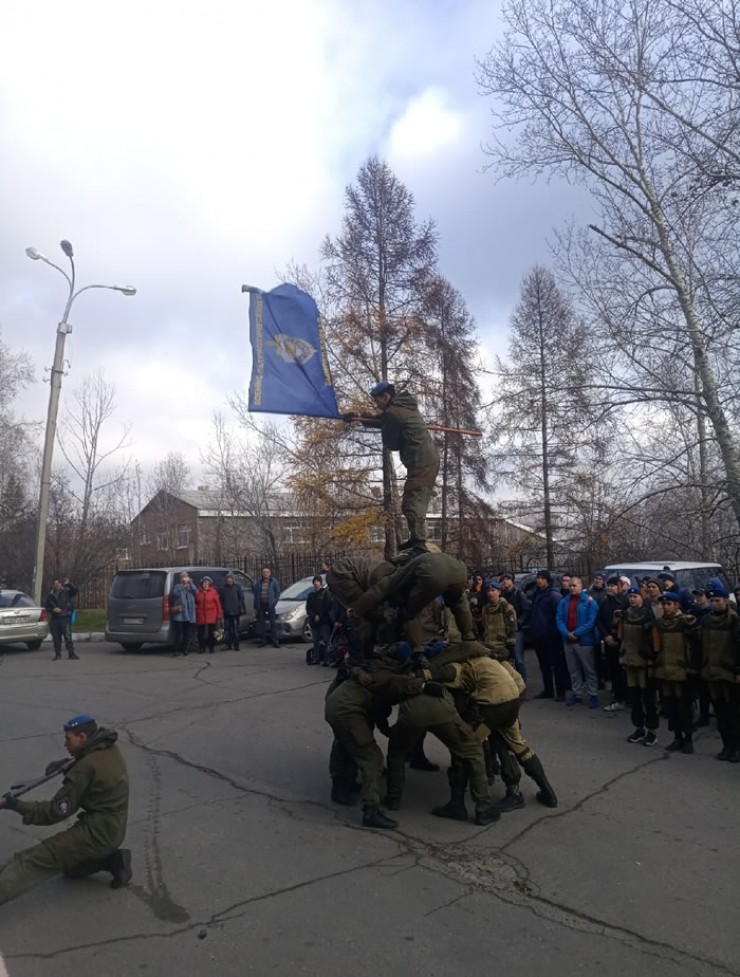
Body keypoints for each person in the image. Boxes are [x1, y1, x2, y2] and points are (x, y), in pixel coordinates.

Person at [0, 714, 131, 905]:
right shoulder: (109, 748)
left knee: (33, 860)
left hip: (96, 834)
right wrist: (72, 762)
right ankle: (113, 861)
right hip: (115, 829)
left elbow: (54, 812)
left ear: (82, 738)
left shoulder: (84, 769)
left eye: (68, 739)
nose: (65, 744)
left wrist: (15, 805)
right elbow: (93, 765)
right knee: (70, 869)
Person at [430, 652, 558, 815]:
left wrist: (428, 673)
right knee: (517, 746)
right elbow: (520, 686)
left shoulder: (466, 665)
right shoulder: (499, 662)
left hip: (493, 709)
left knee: (466, 749)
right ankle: (546, 793)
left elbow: (452, 676)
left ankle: (457, 804)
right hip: (511, 705)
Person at [341, 381, 440, 552]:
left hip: (422, 463)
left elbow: (391, 443)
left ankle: (419, 544)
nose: (376, 404)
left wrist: (385, 427)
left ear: (386, 397)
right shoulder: (403, 405)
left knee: (413, 503)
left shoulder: (394, 413)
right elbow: (382, 420)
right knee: (409, 502)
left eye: (377, 400)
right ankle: (417, 539)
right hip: (424, 460)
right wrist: (359, 417)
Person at [351, 550, 477, 655]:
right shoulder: (429, 556)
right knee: (460, 603)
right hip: (460, 572)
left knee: (409, 611)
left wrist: (356, 609)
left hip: (432, 576)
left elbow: (379, 590)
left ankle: (418, 652)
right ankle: (469, 638)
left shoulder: (403, 571)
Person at [653, 592, 700, 753]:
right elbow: (655, 646)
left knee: (684, 707)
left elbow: (695, 645)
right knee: (670, 706)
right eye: (664, 604)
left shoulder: (685, 622)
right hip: (665, 671)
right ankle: (677, 737)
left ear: (677, 605)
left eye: (669, 604)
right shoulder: (659, 623)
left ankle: (688, 739)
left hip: (682, 671)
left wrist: (691, 668)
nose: (665, 607)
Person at [700, 584, 740, 762]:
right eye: (712, 601)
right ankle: (726, 746)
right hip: (711, 671)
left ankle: (736, 748)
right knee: (720, 713)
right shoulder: (707, 620)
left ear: (726, 601)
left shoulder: (734, 620)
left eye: (718, 601)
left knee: (733, 713)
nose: (714, 604)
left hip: (729, 672)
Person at [618, 587, 659, 746]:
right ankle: (638, 728)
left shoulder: (648, 616)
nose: (632, 599)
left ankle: (652, 731)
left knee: (648, 699)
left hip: (644, 664)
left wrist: (651, 662)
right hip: (630, 662)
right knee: (635, 699)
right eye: (630, 597)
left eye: (635, 596)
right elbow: (620, 636)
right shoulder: (626, 614)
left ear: (642, 598)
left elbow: (653, 643)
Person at [556, 576, 600, 708]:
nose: (571, 588)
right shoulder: (564, 602)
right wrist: (566, 633)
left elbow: (590, 622)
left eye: (574, 585)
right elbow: (559, 620)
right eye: (570, 586)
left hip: (584, 642)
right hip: (568, 641)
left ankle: (593, 695)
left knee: (589, 670)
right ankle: (577, 694)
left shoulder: (589, 602)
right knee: (573, 670)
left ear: (581, 586)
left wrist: (576, 633)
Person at [529, 571, 568, 700]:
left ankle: (561, 691)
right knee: (544, 665)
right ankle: (548, 690)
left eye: (542, 578)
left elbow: (558, 617)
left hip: (551, 637)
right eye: (538, 578)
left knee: (557, 665)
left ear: (547, 580)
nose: (539, 581)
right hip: (538, 636)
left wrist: (554, 634)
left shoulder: (553, 595)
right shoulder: (537, 593)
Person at [599, 576, 628, 712]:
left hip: (623, 643)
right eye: (608, 586)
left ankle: (627, 698)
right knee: (614, 672)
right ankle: (618, 698)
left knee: (624, 672)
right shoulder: (605, 602)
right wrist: (606, 636)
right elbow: (599, 621)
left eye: (613, 586)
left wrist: (617, 636)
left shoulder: (625, 601)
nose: (610, 588)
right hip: (609, 642)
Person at [498, 572, 529, 680]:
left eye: (507, 579)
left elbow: (526, 611)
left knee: (518, 660)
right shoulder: (500, 597)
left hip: (516, 632)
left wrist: (518, 623)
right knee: (507, 659)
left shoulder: (519, 594)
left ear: (512, 581)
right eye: (502, 580)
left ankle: (523, 684)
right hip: (503, 631)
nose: (505, 581)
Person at [480, 581, 517, 663]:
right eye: (488, 591)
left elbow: (512, 626)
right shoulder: (485, 609)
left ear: (499, 592)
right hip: (488, 646)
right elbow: (483, 626)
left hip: (502, 646)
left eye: (493, 590)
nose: (490, 593)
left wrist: (510, 645)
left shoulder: (506, 607)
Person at [45, 578, 79, 661]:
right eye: (55, 584)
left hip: (65, 617)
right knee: (56, 638)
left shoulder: (66, 592)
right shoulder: (50, 595)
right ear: (53, 585)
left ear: (61, 584)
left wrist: (69, 584)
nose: (57, 585)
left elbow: (75, 590)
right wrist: (53, 610)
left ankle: (71, 654)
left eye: (58, 583)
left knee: (68, 636)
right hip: (55, 619)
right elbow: (47, 607)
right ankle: (57, 654)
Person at [305, 576, 332, 665]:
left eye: (317, 581)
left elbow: (327, 606)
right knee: (315, 640)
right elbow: (308, 608)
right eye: (314, 581)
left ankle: (327, 658)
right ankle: (316, 658)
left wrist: (319, 616)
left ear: (321, 583)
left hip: (324, 620)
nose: (316, 583)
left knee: (326, 640)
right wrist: (314, 615)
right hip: (314, 621)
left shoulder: (325, 593)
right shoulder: (311, 595)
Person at [171, 571, 196, 657]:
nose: (185, 578)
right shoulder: (177, 587)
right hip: (180, 614)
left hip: (188, 614)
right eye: (183, 577)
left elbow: (195, 592)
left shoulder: (190, 587)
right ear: (181, 579)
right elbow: (175, 594)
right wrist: (183, 586)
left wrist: (190, 583)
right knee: (179, 633)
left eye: (186, 577)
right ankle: (176, 650)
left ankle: (185, 649)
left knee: (186, 633)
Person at [253, 567, 280, 648]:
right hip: (261, 605)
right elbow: (256, 593)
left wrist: (274, 602)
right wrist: (256, 605)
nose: (265, 573)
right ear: (262, 573)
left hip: (270, 605)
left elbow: (277, 592)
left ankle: (275, 641)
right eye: (264, 572)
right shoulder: (258, 583)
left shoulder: (274, 582)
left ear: (270, 573)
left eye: (267, 572)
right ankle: (263, 641)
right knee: (262, 624)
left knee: (273, 623)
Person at [195, 576, 223, 654]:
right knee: (201, 634)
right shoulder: (198, 593)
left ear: (210, 584)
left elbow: (218, 604)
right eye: (204, 583)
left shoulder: (213, 592)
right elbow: (196, 603)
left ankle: (211, 647)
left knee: (212, 633)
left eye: (207, 583)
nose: (205, 585)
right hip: (201, 616)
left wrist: (219, 614)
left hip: (212, 616)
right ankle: (202, 648)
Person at [219, 573, 246, 651]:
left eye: (230, 578)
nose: (229, 580)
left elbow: (241, 598)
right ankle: (228, 645)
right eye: (228, 578)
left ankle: (236, 645)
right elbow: (220, 600)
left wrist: (240, 607)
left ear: (233, 579)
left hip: (235, 612)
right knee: (227, 630)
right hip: (227, 612)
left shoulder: (237, 587)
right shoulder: (223, 589)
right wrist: (222, 609)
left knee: (235, 630)